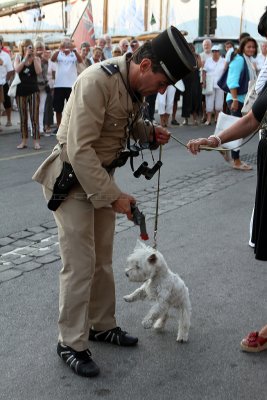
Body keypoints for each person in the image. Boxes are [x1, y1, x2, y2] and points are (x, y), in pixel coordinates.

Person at [32, 26, 196, 378]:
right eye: (163, 83)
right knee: (80, 264)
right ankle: (71, 342)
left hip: (100, 178)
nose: (162, 91)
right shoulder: (97, 81)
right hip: (72, 181)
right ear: (146, 64)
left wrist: (148, 131)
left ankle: (101, 324)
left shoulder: (132, 85)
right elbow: (79, 149)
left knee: (102, 259)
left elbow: (123, 122)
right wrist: (115, 196)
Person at [225, 36, 258, 170]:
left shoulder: (248, 60)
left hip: (243, 101)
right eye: (248, 46)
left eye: (253, 47)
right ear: (243, 47)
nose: (251, 49)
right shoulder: (239, 60)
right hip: (237, 100)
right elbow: (232, 81)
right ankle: (236, 161)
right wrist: (234, 100)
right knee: (239, 131)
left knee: (237, 129)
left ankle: (223, 146)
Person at [14, 39, 42, 150]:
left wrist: (33, 58)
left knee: (34, 117)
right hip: (21, 92)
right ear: (22, 48)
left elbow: (39, 71)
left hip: (33, 91)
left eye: (29, 46)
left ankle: (36, 141)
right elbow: (17, 69)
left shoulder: (36, 58)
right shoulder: (18, 57)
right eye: (25, 46)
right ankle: (24, 141)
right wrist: (25, 57)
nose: (28, 48)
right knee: (23, 117)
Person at [51, 38, 83, 130]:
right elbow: (52, 59)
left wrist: (75, 51)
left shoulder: (74, 53)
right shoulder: (59, 53)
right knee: (58, 108)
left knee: (72, 107)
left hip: (71, 85)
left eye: (68, 44)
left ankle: (71, 126)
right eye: (65, 44)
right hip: (59, 85)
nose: (67, 46)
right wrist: (59, 49)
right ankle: (59, 126)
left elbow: (80, 61)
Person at [202, 45, 225, 125]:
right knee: (209, 101)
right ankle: (208, 120)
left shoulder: (223, 60)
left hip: (220, 84)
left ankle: (217, 119)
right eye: (213, 51)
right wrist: (204, 82)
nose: (215, 53)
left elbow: (225, 72)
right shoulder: (208, 60)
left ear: (219, 52)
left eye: (217, 51)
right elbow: (204, 72)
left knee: (219, 102)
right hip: (209, 83)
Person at [0, 35, 13, 128]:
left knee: (7, 103)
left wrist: (6, 80)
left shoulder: (6, 55)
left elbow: (10, 70)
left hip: (3, 82)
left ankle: (9, 120)